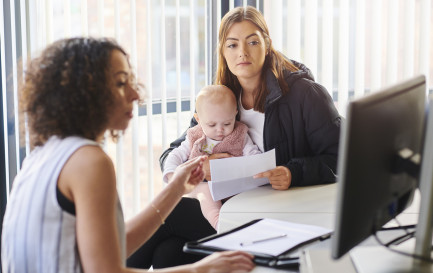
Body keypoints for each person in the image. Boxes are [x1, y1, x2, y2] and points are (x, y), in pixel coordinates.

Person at [1, 37, 255, 273]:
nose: (136, 94)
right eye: (121, 83)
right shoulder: (89, 162)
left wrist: (177, 187)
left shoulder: (45, 154)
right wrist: (202, 269)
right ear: (86, 94)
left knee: (170, 251)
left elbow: (111, 247)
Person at [130, 5, 341, 269]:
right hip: (231, 209)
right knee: (169, 253)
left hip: (277, 215)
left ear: (267, 44)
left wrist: (292, 172)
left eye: (252, 41)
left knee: (169, 215)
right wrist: (199, 168)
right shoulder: (223, 96)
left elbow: (343, 158)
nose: (242, 52)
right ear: (222, 51)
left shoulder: (305, 95)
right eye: (232, 45)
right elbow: (177, 149)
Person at [162, 85, 261, 229]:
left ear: (235, 113)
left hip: (232, 187)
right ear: (198, 119)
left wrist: (249, 167)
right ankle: (218, 223)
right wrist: (172, 175)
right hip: (202, 186)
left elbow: (253, 155)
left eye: (227, 123)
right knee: (205, 192)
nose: (220, 130)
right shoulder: (194, 136)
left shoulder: (240, 135)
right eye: (212, 124)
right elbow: (175, 154)